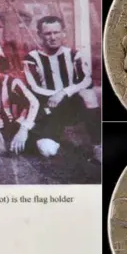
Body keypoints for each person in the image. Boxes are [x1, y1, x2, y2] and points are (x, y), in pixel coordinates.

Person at [23, 16, 101, 160]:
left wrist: (63, 93)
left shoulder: (73, 54)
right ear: (39, 34)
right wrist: (56, 95)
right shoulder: (31, 58)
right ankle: (48, 138)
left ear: (63, 33)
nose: (53, 37)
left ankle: (98, 146)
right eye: (48, 33)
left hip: (71, 106)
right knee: (48, 150)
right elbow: (33, 87)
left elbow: (86, 80)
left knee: (89, 94)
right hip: (48, 107)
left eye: (56, 32)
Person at [0, 0, 33, 71]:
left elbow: (29, 16)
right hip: (6, 34)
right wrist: (1, 24)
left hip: (16, 34)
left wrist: (24, 23)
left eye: (10, 1)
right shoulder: (3, 12)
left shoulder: (17, 11)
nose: (8, 3)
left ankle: (21, 68)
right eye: (7, 1)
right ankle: (11, 68)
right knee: (8, 52)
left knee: (18, 52)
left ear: (13, 1)